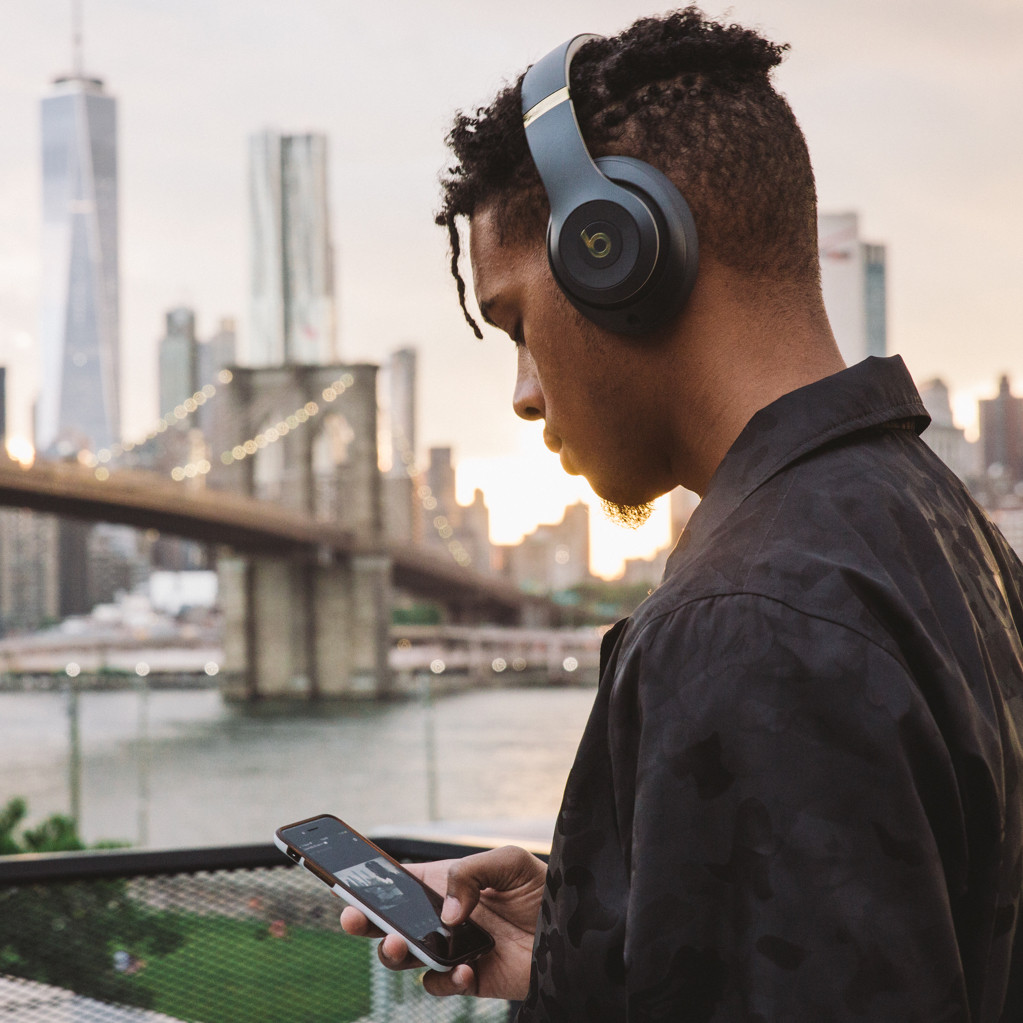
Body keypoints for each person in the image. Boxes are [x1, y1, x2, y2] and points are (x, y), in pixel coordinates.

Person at [342, 8, 1023, 1019]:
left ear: (614, 256)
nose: (525, 393)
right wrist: (591, 949)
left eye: (519, 323)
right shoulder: (944, 525)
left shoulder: (747, 618)